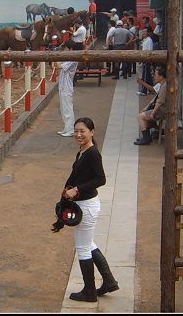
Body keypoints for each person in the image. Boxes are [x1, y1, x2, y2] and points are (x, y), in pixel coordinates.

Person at [61, 117, 118, 302]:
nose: (78, 134)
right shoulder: (83, 151)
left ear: (92, 132)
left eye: (82, 131)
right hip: (84, 204)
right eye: (76, 131)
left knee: (83, 248)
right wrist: (66, 189)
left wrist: (76, 189)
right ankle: (109, 281)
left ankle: (89, 291)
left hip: (87, 205)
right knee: (89, 244)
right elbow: (75, 174)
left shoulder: (93, 154)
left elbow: (100, 179)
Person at [134, 67, 167, 145]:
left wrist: (152, 113)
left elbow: (160, 102)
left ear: (161, 76)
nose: (153, 76)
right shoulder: (162, 84)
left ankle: (146, 138)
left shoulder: (165, 86)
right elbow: (155, 98)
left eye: (155, 75)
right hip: (162, 109)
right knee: (144, 114)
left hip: (163, 110)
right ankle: (152, 133)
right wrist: (146, 108)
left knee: (140, 117)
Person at [57, 40, 79, 137]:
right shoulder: (68, 57)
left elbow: (58, 66)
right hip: (63, 85)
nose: (64, 50)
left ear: (70, 49)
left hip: (67, 86)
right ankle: (66, 128)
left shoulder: (72, 58)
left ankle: (70, 130)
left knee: (68, 109)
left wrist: (56, 56)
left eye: (65, 48)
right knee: (63, 109)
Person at [137, 28, 155, 95]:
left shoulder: (149, 40)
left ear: (148, 33)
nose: (143, 33)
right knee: (148, 76)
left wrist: (145, 59)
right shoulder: (145, 40)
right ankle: (151, 89)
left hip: (146, 60)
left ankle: (144, 91)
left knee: (145, 75)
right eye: (143, 31)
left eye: (145, 32)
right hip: (144, 59)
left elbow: (149, 51)